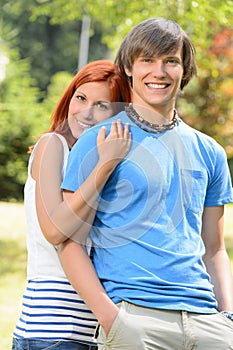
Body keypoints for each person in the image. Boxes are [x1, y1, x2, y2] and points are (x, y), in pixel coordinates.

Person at [60, 17, 233, 350]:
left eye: (171, 61)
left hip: (207, 322)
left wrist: (226, 317)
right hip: (135, 320)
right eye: (148, 61)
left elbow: (214, 249)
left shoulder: (210, 151)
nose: (160, 72)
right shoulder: (99, 141)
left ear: (185, 69)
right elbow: (69, 243)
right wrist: (112, 320)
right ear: (128, 67)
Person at [11, 59, 132, 350]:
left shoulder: (95, 164)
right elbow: (55, 231)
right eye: (81, 98)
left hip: (92, 333)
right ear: (69, 98)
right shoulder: (53, 146)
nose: (87, 113)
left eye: (102, 105)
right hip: (51, 331)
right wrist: (105, 166)